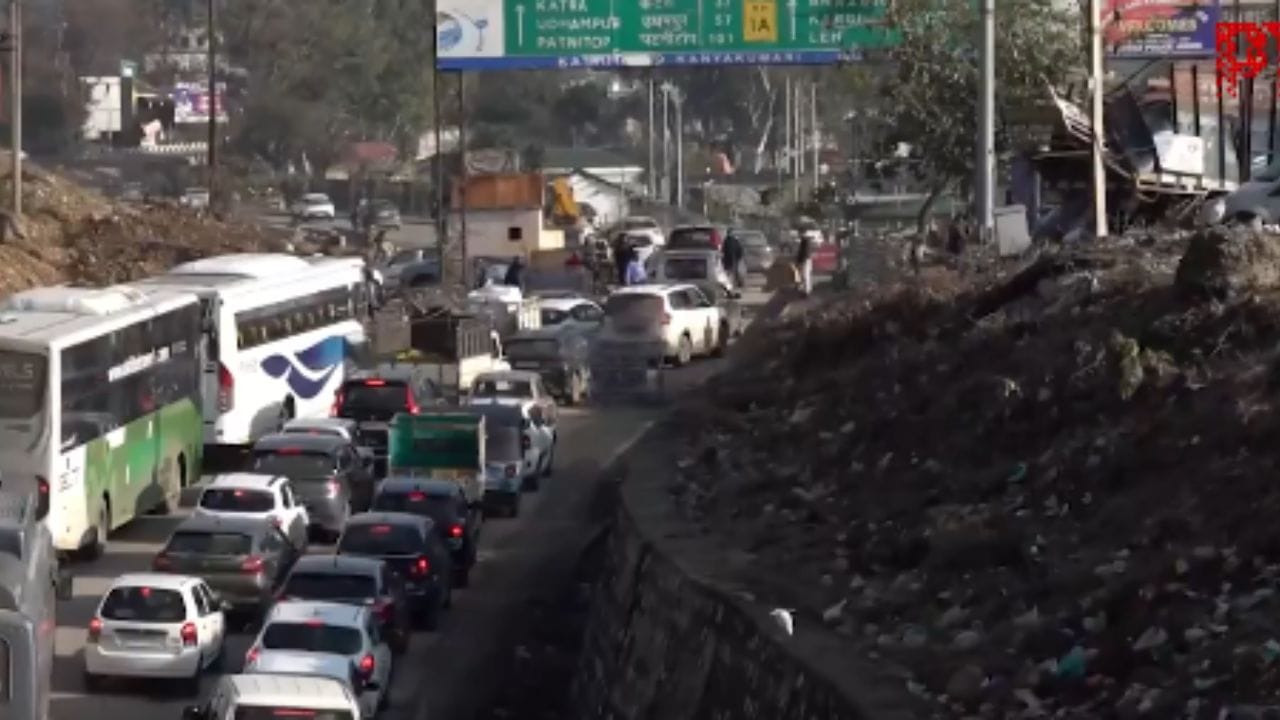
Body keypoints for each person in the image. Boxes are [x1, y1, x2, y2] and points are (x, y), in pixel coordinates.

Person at [796, 229, 814, 295]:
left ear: (802, 233)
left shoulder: (805, 240)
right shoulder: (805, 240)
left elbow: (804, 252)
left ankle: (806, 291)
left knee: (805, 275)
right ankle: (807, 289)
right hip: (806, 259)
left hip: (805, 260)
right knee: (805, 275)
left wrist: (801, 261)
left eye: (799, 233)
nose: (798, 235)